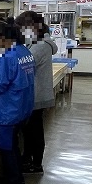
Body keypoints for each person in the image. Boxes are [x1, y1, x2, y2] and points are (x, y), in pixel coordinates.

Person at [0, 21, 35, 184]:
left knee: (7, 148)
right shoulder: (24, 51)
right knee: (15, 145)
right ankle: (16, 178)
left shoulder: (7, 56)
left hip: (8, 109)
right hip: (23, 105)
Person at [16, 11, 58, 173]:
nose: (20, 31)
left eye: (22, 27)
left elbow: (23, 66)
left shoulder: (40, 46)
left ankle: (36, 164)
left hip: (36, 95)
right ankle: (27, 159)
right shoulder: (36, 42)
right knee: (30, 129)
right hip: (35, 93)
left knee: (34, 130)